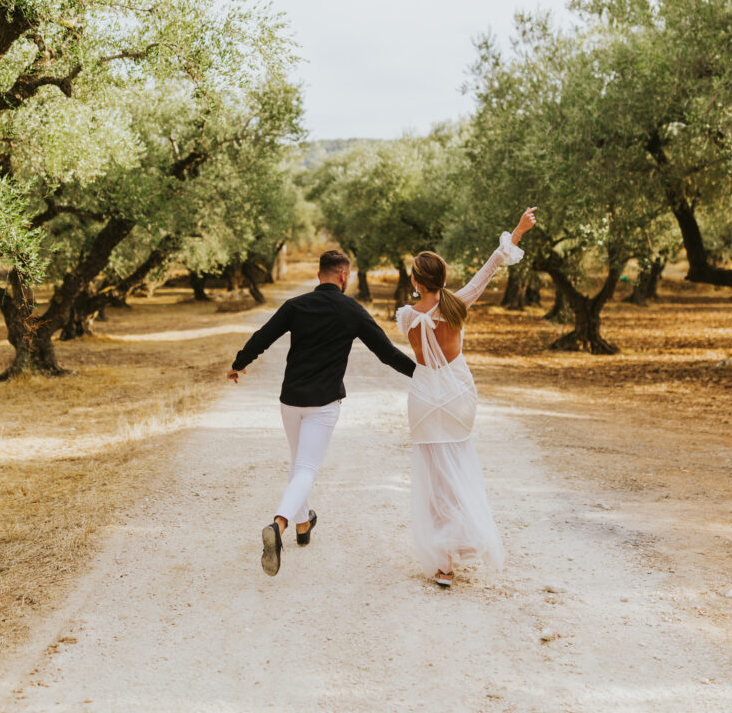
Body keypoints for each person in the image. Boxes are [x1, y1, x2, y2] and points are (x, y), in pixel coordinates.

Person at [227, 249, 416, 576]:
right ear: (344, 275)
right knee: (306, 469)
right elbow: (386, 354)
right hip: (323, 404)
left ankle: (303, 525)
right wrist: (424, 374)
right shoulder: (352, 309)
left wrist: (239, 363)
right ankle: (279, 524)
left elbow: (263, 337)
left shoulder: (296, 305)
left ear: (320, 275)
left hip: (290, 401)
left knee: (298, 462)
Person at [396, 207, 536, 586]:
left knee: (432, 479)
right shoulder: (457, 304)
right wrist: (518, 231)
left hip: (425, 400)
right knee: (458, 471)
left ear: (416, 280)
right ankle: (465, 540)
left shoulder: (406, 316)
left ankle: (444, 563)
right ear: (441, 278)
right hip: (457, 397)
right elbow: (489, 269)